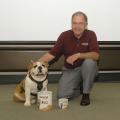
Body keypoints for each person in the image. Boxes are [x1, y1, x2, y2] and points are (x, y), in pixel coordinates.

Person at [38, 11, 100, 106]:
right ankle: (79, 87)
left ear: (86, 25)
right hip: (70, 70)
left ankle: (86, 94)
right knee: (62, 95)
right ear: (71, 24)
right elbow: (52, 54)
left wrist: (78, 55)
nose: (77, 26)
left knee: (89, 63)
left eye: (80, 23)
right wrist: (35, 65)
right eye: (74, 23)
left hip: (87, 68)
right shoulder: (64, 36)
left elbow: (96, 55)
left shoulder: (91, 34)